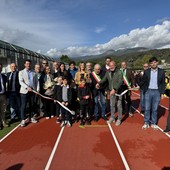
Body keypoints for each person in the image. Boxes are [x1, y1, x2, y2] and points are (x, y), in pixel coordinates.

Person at [141, 57, 165, 130]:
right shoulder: (147, 71)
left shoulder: (162, 71)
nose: (153, 64)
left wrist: (162, 93)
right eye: (151, 63)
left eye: (154, 62)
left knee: (155, 109)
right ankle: (146, 122)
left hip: (157, 92)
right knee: (147, 108)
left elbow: (163, 83)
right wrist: (144, 90)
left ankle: (154, 123)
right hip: (148, 91)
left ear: (157, 62)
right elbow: (143, 82)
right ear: (150, 64)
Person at [96, 61, 123, 126]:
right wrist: (99, 83)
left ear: (115, 65)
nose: (111, 67)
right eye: (110, 65)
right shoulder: (108, 72)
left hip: (118, 92)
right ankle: (112, 117)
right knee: (112, 105)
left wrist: (115, 89)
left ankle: (119, 119)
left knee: (119, 106)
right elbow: (104, 79)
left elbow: (120, 82)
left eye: (112, 65)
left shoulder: (119, 72)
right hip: (111, 91)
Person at [19, 59, 38, 127]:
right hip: (24, 91)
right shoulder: (21, 72)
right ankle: (23, 120)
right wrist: (27, 87)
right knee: (23, 106)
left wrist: (37, 90)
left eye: (29, 64)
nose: (28, 65)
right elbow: (21, 82)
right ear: (24, 64)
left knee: (32, 105)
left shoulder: (34, 72)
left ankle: (31, 117)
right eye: (27, 64)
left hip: (32, 91)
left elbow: (36, 81)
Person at [0, 63, 8, 129]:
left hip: (3, 95)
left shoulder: (4, 76)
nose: (0, 68)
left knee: (3, 110)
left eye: (0, 67)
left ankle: (3, 122)